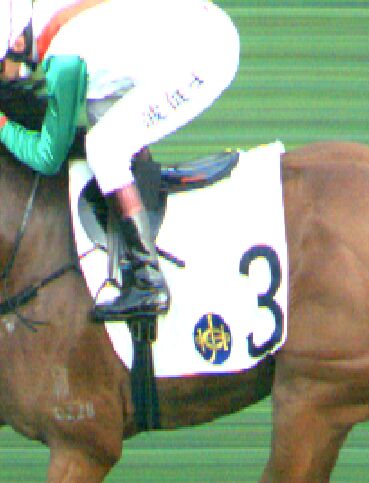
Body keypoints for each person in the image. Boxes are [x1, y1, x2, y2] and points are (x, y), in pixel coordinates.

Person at [0, 0, 241, 321]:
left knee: (103, 147)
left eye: (0, 68)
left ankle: (149, 280)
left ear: (18, 44)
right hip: (198, 30)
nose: (6, 78)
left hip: (206, 54)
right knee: (101, 113)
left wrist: (3, 126)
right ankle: (142, 195)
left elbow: (48, 158)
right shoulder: (52, 15)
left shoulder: (63, 58)